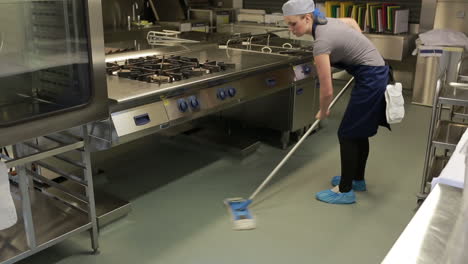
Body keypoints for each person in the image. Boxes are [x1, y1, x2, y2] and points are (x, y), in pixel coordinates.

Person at [282, 0, 391, 204]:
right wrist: (362, 47)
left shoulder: (321, 43)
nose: (290, 29)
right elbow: (350, 21)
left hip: (371, 78)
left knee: (347, 134)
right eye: (287, 24)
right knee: (357, 132)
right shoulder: (324, 21)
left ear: (307, 18)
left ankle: (345, 190)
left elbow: (327, 89)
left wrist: (322, 111)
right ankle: (356, 180)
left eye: (293, 24)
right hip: (374, 71)